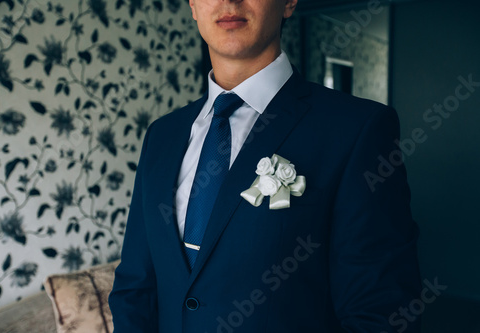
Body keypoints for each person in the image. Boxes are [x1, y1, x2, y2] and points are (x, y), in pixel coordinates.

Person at [109, 0, 422, 332]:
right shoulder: (162, 134)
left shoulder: (358, 129)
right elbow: (135, 286)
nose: (229, 1)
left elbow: (381, 312)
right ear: (193, 7)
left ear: (288, 3)